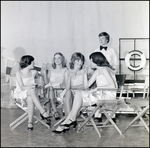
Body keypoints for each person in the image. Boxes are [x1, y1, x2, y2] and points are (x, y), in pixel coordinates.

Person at [52, 52, 117, 133]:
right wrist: (84, 73)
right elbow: (86, 86)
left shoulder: (104, 69)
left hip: (107, 95)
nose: (89, 63)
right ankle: (70, 120)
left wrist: (97, 88)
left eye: (90, 61)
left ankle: (68, 120)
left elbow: (113, 86)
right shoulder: (97, 71)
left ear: (95, 61)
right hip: (99, 94)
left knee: (77, 101)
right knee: (79, 95)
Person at [14, 55, 51, 130]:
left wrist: (39, 84)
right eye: (33, 62)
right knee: (31, 91)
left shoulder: (34, 72)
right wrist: (30, 87)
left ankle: (30, 122)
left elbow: (42, 81)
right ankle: (42, 111)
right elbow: (21, 87)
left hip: (32, 95)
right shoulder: (19, 73)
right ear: (28, 63)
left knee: (30, 98)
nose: (34, 63)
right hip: (20, 93)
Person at [90, 32, 119, 122]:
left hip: (108, 75)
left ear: (107, 39)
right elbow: (92, 64)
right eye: (100, 38)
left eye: (103, 38)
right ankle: (97, 116)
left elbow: (116, 65)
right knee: (98, 94)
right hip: (99, 76)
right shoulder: (95, 50)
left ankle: (111, 115)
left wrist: (110, 72)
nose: (101, 40)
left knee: (108, 93)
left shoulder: (112, 50)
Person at [41, 52, 69, 120]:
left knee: (50, 89)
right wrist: (44, 73)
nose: (57, 60)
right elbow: (47, 82)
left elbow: (66, 83)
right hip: (50, 90)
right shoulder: (51, 70)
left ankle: (50, 111)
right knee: (50, 89)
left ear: (62, 59)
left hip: (60, 90)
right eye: (55, 58)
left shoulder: (65, 70)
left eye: (59, 58)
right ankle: (55, 111)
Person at [62, 52, 87, 117]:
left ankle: (68, 120)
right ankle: (70, 119)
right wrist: (70, 76)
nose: (80, 62)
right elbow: (67, 87)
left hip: (80, 93)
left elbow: (85, 86)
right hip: (70, 92)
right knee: (68, 92)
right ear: (73, 61)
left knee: (66, 98)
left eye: (82, 60)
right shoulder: (67, 71)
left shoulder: (83, 71)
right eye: (78, 60)